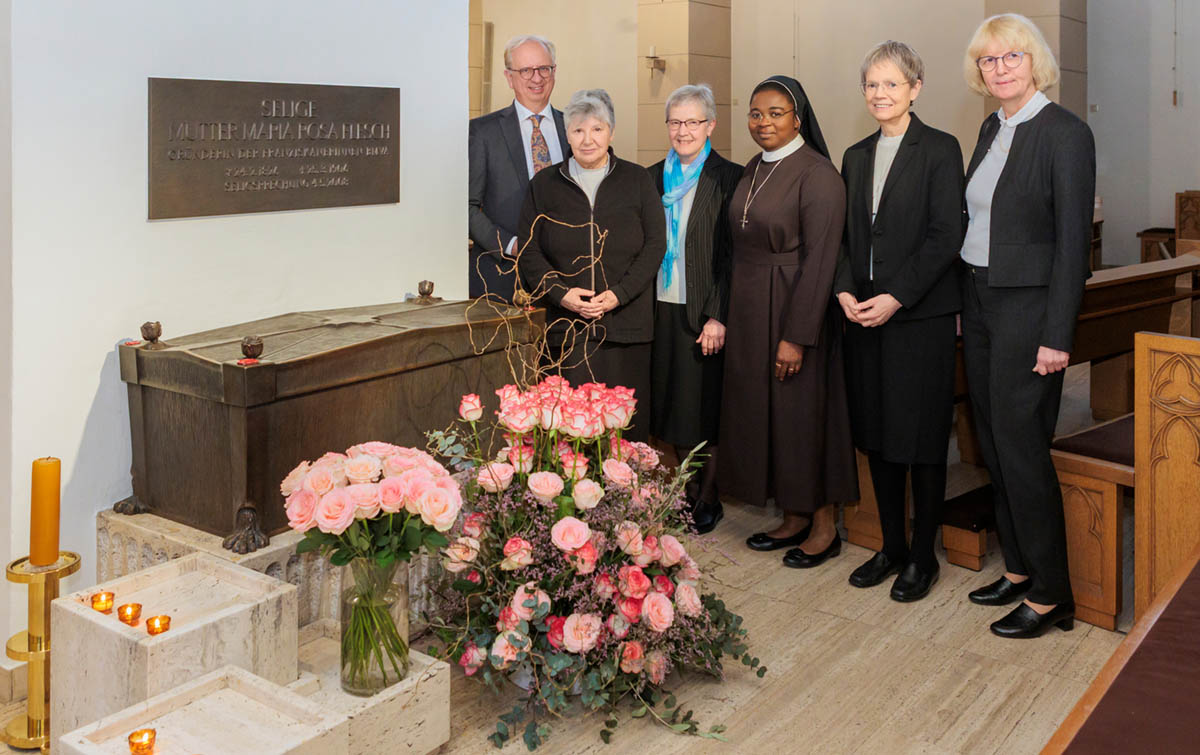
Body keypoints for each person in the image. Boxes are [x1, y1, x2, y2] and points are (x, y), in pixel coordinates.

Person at [959, 14, 1095, 638]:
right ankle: (1018, 568)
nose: (1000, 69)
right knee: (992, 439)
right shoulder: (991, 127)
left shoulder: (1065, 133)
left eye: (1010, 57)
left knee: (1021, 446)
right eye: (989, 61)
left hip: (1029, 310)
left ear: (1034, 61)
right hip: (982, 300)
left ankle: (1051, 593)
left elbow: (1072, 247)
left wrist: (1057, 335)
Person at [834, 42, 965, 602]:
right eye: (871, 84)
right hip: (863, 314)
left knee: (922, 439)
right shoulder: (855, 154)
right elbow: (843, 236)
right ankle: (889, 546)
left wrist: (897, 297)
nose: (879, 94)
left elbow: (945, 238)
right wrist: (843, 288)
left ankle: (921, 556)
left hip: (918, 317)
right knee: (880, 436)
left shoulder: (940, 149)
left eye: (891, 84)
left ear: (915, 87)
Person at [719, 76, 858, 566]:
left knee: (804, 417)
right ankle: (793, 514)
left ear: (798, 117)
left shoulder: (818, 174)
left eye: (776, 113)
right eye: (756, 113)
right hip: (753, 308)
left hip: (798, 311)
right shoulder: (754, 167)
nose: (763, 123)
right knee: (769, 416)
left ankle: (824, 525)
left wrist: (796, 336)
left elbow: (821, 262)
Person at [517, 89, 666, 441]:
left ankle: (627, 496)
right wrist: (560, 294)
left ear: (611, 133)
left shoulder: (637, 180)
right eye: (578, 131)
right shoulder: (545, 185)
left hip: (626, 329)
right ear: (566, 135)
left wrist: (619, 294)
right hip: (567, 332)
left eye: (597, 129)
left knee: (624, 433)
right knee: (570, 433)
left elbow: (655, 245)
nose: (588, 140)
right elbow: (528, 250)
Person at [647, 84, 743, 534]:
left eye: (693, 122)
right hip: (659, 308)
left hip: (703, 312)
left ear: (711, 126)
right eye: (676, 122)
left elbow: (733, 256)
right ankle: (681, 493)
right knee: (670, 406)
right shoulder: (650, 178)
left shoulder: (730, 178)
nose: (683, 130)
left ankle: (708, 496)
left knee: (705, 407)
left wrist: (718, 313)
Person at [468, 34, 568, 302]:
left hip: (566, 278)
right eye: (525, 70)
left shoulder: (573, 128)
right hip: (503, 279)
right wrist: (511, 245)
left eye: (543, 69)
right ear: (509, 77)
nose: (537, 78)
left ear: (554, 72)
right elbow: (466, 206)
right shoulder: (483, 132)